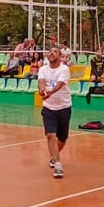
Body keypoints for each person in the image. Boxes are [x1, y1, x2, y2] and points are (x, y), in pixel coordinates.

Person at [38, 46, 72, 179]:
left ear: (60, 56)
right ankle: (58, 165)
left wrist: (49, 93)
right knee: (50, 135)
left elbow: (59, 85)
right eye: (50, 51)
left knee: (62, 138)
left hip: (64, 107)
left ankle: (54, 156)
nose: (52, 53)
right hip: (48, 108)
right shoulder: (43, 69)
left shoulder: (64, 69)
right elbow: (41, 82)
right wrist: (42, 90)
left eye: (55, 51)